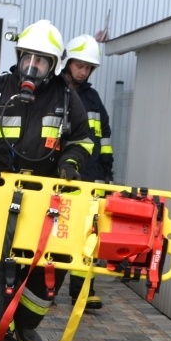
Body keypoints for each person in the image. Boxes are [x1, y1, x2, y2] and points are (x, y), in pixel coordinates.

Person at [0, 20, 93, 341]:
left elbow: (83, 140)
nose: (32, 67)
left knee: (51, 266)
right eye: (27, 58)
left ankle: (26, 323)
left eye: (41, 61)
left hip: (46, 199)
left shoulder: (65, 98)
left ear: (53, 65)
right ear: (18, 56)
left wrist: (71, 163)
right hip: (0, 194)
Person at [60, 34, 114, 310]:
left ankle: (82, 290)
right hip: (58, 174)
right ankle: (43, 287)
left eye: (87, 67)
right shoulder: (53, 91)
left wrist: (106, 171)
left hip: (89, 176)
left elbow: (103, 137)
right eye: (78, 65)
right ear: (67, 63)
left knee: (87, 233)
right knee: (52, 229)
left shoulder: (93, 99)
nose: (82, 71)